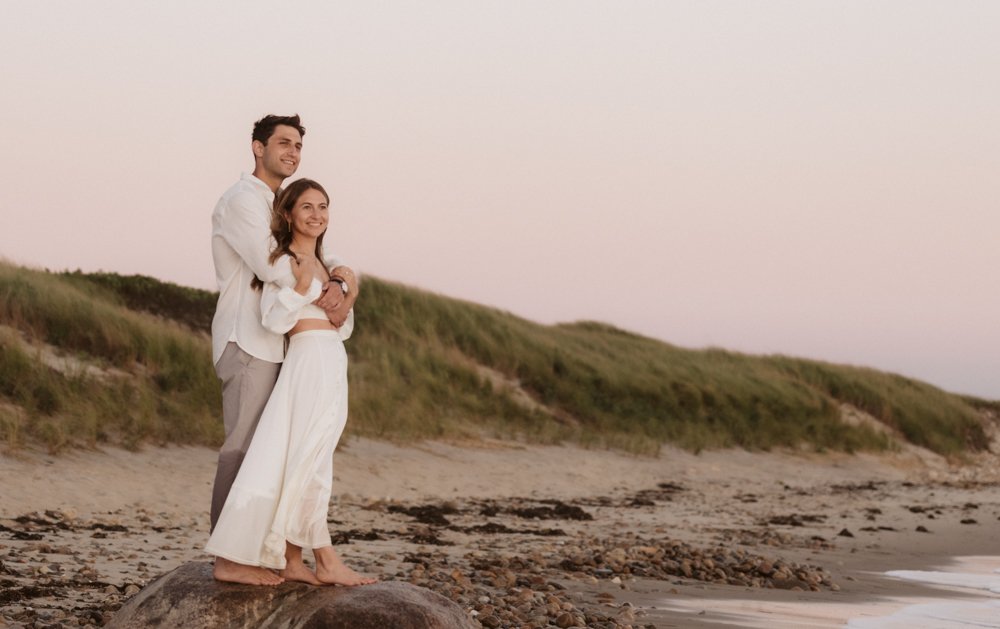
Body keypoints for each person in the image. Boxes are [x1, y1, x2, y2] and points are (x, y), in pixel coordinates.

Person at [209, 114, 358, 585]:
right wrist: (331, 282)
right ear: (257, 148)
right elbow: (272, 262)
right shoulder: (241, 201)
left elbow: (306, 249)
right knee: (244, 448)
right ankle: (228, 556)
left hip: (282, 345)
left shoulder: (277, 204)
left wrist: (338, 273)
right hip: (248, 337)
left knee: (274, 450)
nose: (292, 152)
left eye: (298, 146)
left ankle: (270, 553)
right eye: (283, 143)